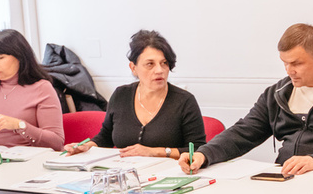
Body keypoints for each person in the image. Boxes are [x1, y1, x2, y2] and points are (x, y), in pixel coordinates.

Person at [178, 24, 313, 176]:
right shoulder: (278, 93)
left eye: (296, 63)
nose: (289, 71)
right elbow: (244, 132)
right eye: (285, 63)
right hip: (285, 179)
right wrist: (204, 154)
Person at [63, 30, 206, 159]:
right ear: (133, 67)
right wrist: (88, 147)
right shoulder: (121, 95)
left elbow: (198, 150)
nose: (159, 70)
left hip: (167, 177)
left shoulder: (184, 101)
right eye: (150, 64)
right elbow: (105, 137)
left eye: (164, 63)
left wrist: (155, 152)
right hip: (125, 175)